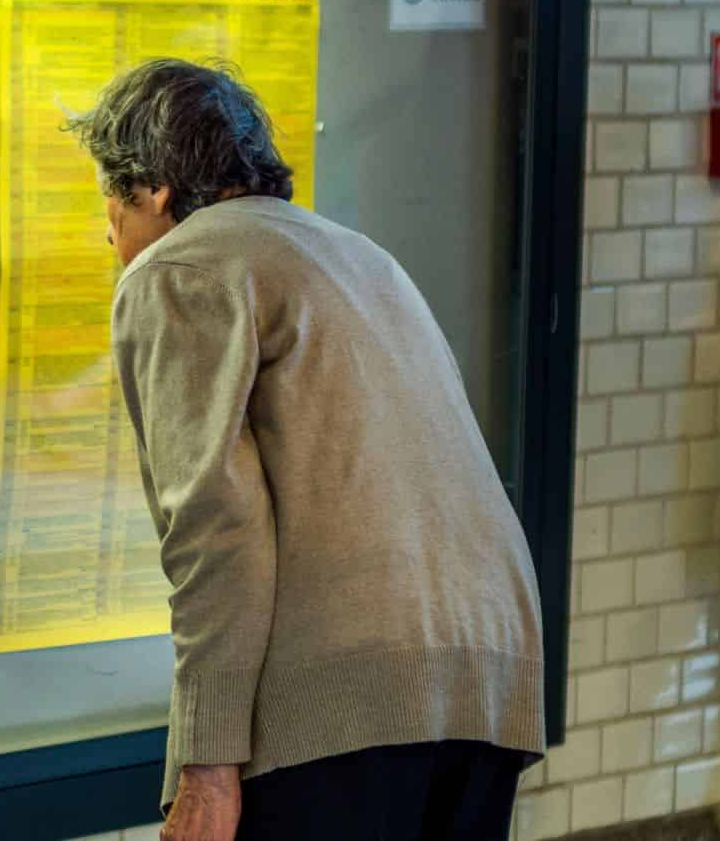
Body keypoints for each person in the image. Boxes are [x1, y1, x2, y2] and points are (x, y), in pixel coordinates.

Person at [65, 59, 545, 841]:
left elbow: (216, 528)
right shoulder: (358, 255)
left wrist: (207, 768)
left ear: (152, 190)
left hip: (341, 708)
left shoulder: (182, 267)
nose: (108, 235)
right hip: (486, 684)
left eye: (108, 204)